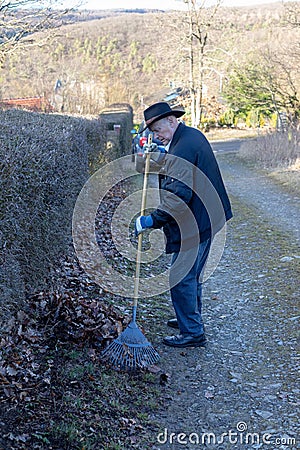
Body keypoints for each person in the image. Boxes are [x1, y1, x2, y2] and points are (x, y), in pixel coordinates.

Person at [135, 102, 233, 348]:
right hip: (206, 216)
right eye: (153, 132)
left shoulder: (183, 148)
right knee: (191, 274)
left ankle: (192, 332)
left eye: (159, 129)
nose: (157, 135)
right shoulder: (185, 138)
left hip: (196, 221)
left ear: (171, 120)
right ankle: (189, 319)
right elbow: (176, 167)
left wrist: (152, 220)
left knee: (181, 277)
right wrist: (154, 160)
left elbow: (177, 196)